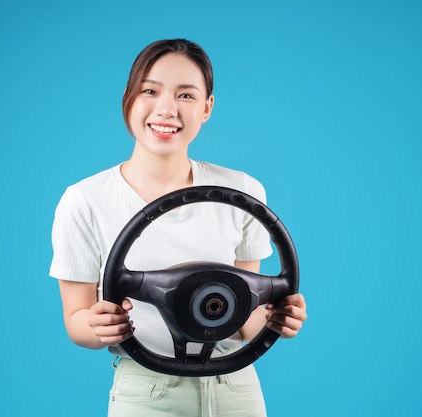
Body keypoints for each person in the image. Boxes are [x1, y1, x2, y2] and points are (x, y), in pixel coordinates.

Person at [49, 39, 307, 417]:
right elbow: (77, 322)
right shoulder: (85, 199)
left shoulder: (245, 193)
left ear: (206, 108)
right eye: (150, 90)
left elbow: (243, 322)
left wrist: (275, 318)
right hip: (146, 391)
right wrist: (97, 324)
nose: (166, 109)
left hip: (236, 386)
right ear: (129, 99)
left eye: (185, 95)